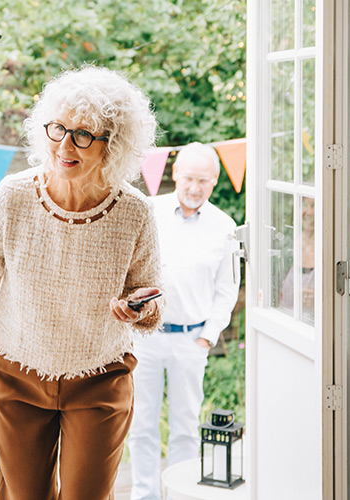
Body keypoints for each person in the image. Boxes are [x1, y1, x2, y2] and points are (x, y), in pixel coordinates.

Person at [0, 66, 163, 500]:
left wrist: (139, 307)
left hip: (100, 377)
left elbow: (152, 299)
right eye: (58, 128)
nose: (64, 145)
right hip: (18, 375)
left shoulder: (135, 212)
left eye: (83, 134)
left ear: (112, 145)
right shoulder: (13, 196)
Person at [127, 142, 240, 500]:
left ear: (215, 181)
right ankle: (145, 494)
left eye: (204, 181)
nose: (195, 187)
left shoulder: (224, 226)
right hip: (146, 337)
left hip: (192, 340)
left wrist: (207, 338)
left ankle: (180, 495)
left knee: (186, 427)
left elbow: (228, 289)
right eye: (190, 178)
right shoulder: (149, 211)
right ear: (175, 173)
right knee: (142, 425)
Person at [278, 196, 316, 324]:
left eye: (314, 205)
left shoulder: (330, 245)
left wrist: (319, 298)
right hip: (288, 323)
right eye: (305, 205)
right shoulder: (290, 242)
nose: (309, 212)